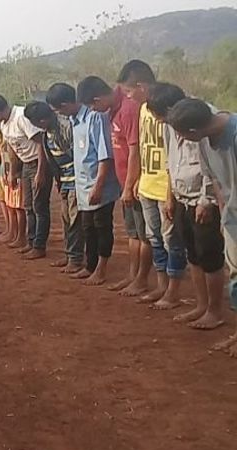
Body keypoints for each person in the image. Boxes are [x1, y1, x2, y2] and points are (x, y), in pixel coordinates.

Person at [147, 83, 225, 331]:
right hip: (181, 197)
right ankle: (201, 306)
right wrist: (170, 196)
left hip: (204, 203)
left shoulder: (201, 120)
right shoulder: (172, 124)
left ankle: (215, 310)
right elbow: (171, 161)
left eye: (162, 118)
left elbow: (210, 167)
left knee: (210, 256)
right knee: (193, 255)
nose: (163, 124)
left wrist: (206, 200)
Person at [167, 99, 237, 354]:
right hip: (231, 216)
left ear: (194, 130)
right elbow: (215, 180)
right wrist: (223, 212)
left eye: (183, 135)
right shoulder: (205, 140)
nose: (182, 140)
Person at [119, 60, 187, 309]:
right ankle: (161, 286)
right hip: (147, 184)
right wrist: (137, 179)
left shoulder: (167, 108)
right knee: (155, 238)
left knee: (172, 241)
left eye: (129, 91)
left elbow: (175, 155)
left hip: (165, 187)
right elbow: (142, 148)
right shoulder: (143, 109)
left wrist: (171, 193)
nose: (128, 96)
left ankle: (173, 290)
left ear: (141, 86)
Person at [79, 75, 153, 296]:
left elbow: (134, 151)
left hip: (135, 185)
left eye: (93, 104)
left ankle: (142, 279)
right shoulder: (112, 110)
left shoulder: (128, 109)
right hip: (124, 183)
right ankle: (132, 275)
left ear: (98, 97)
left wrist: (130, 186)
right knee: (132, 233)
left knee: (143, 235)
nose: (94, 109)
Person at [63, 81, 121, 285]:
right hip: (83, 186)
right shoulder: (73, 121)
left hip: (99, 185)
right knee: (87, 227)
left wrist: (98, 185)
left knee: (102, 226)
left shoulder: (95, 118)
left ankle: (101, 269)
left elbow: (105, 156)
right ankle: (90, 265)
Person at [0, 94, 49, 260]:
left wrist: (41, 172)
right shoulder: (4, 124)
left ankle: (39, 246)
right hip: (25, 165)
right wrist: (13, 172)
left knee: (39, 206)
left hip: (38, 162)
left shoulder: (21, 117)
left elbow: (41, 142)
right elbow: (12, 149)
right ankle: (31, 241)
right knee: (28, 206)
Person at [25, 101, 84, 273]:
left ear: (42, 120)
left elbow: (78, 156)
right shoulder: (46, 133)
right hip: (64, 180)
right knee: (66, 218)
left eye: (35, 122)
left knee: (74, 220)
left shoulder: (66, 127)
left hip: (75, 180)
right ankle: (69, 255)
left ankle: (76, 258)